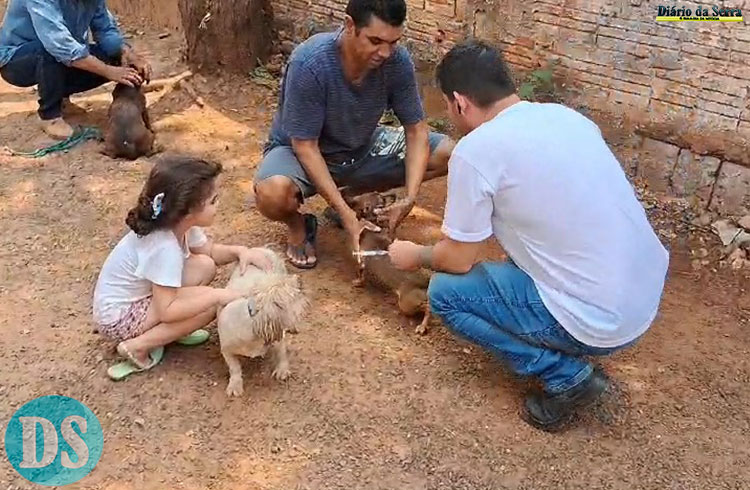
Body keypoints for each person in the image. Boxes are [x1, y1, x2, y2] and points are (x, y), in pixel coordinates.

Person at [388, 40, 669, 432]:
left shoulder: (475, 150)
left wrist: (414, 254)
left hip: (601, 324)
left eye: (449, 107)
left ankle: (565, 376)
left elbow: (458, 259)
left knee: (445, 295)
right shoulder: (566, 118)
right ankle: (566, 327)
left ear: (459, 102)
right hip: (642, 301)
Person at [253, 0, 454, 269]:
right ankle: (302, 225)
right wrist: (348, 219)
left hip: (361, 146)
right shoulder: (310, 63)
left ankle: (352, 198)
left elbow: (416, 130)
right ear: (350, 26)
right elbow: (305, 146)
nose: (385, 52)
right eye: (375, 41)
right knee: (272, 194)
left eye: (393, 42)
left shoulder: (397, 61)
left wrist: (409, 198)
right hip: (303, 152)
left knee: (447, 152)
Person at [92, 155, 271, 380]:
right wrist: (217, 295)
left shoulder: (179, 223)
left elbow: (209, 252)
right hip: (120, 319)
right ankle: (138, 345)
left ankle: (170, 333)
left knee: (204, 266)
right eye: (213, 201)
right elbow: (168, 310)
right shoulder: (164, 247)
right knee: (206, 306)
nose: (219, 205)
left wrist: (240, 251)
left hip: (134, 300)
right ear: (188, 210)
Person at [0, 0, 150, 139]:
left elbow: (105, 31)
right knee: (51, 51)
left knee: (113, 56)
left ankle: (62, 98)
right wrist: (109, 71)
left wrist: (126, 53)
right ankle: (50, 116)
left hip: (57, 53)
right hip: (15, 61)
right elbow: (59, 45)